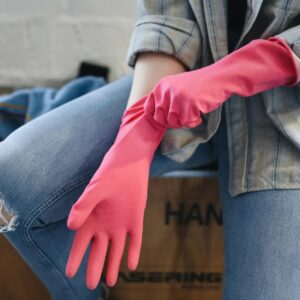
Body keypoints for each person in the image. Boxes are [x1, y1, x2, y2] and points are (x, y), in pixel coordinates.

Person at [1, 0, 300, 299]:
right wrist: (136, 132)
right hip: (182, 83)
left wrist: (247, 68)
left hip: (285, 114)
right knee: (15, 176)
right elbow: (166, 19)